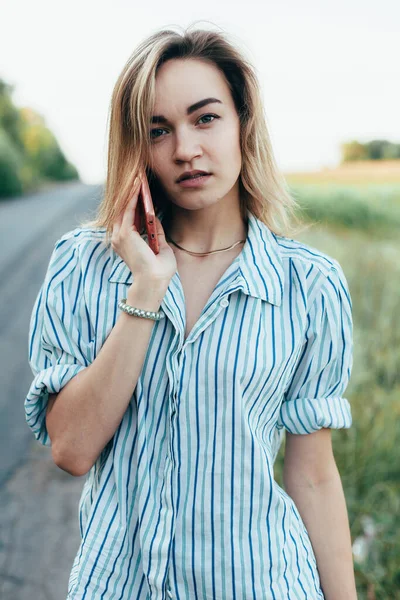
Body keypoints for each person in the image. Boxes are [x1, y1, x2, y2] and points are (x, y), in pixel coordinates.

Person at [25, 25, 358, 600]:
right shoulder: (83, 267)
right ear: (137, 146)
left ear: (242, 123)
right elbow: (71, 449)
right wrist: (147, 289)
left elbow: (313, 474)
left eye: (205, 118)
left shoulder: (309, 286)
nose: (184, 149)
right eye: (158, 130)